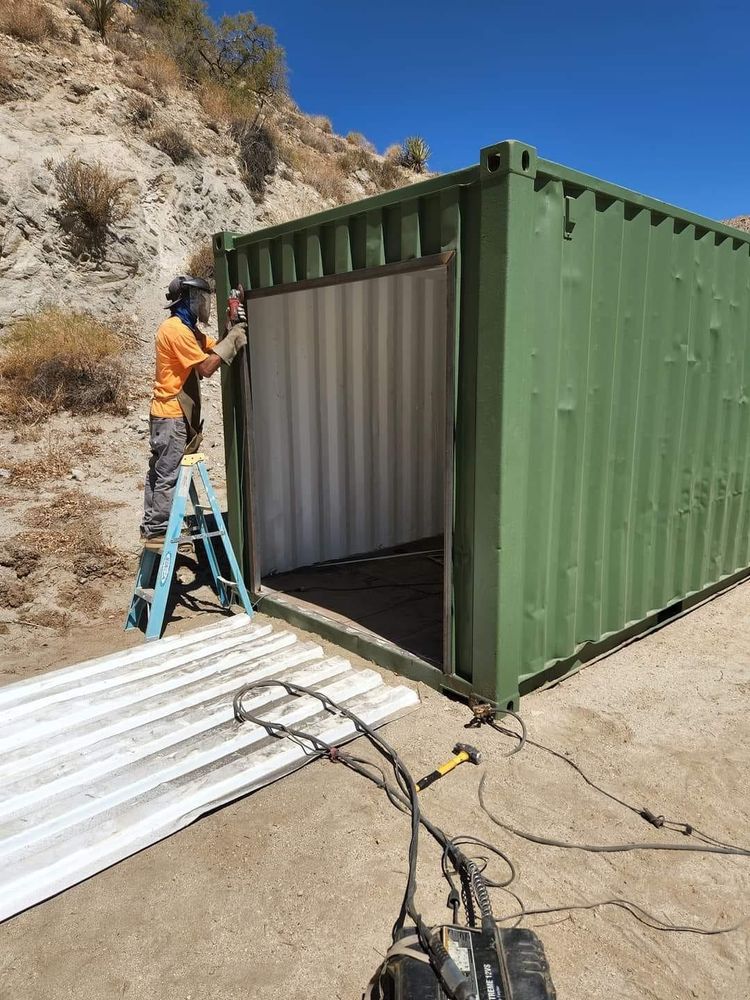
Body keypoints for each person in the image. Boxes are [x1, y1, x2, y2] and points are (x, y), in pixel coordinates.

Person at [140, 275, 247, 545]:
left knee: (159, 471)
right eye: (199, 299)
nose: (203, 304)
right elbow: (206, 368)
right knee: (167, 473)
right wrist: (235, 338)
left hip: (166, 412)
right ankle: (158, 530)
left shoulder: (188, 330)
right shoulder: (176, 330)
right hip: (171, 414)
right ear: (186, 300)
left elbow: (214, 346)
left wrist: (230, 327)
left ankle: (152, 525)